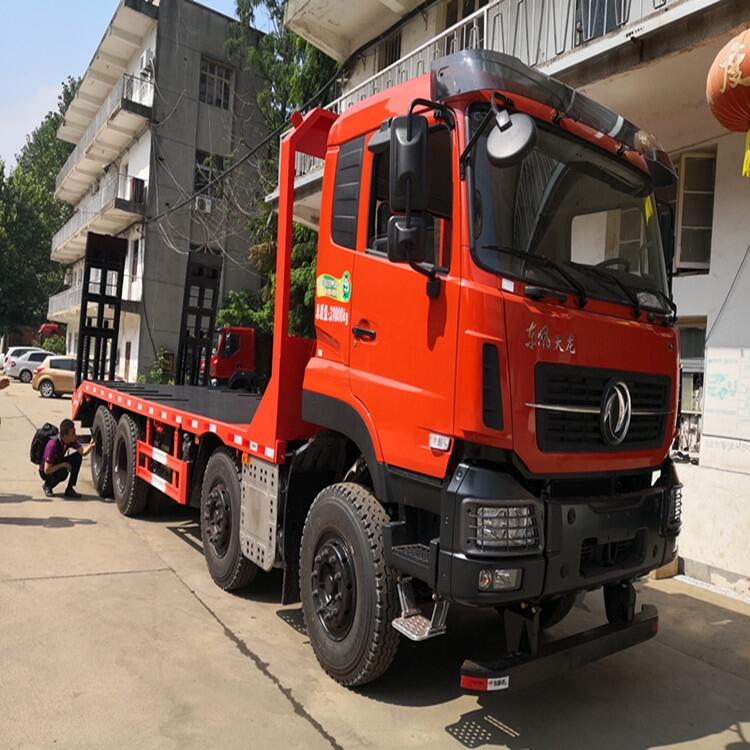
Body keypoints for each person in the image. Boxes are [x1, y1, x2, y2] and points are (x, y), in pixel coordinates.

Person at [40, 418, 95, 498]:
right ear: (64, 436)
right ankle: (48, 485)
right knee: (63, 473)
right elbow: (47, 470)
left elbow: (83, 452)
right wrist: (63, 464)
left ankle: (70, 489)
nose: (75, 435)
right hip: (46, 470)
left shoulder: (70, 440)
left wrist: (91, 446)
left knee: (77, 457)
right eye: (72, 433)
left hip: (57, 462)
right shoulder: (52, 445)